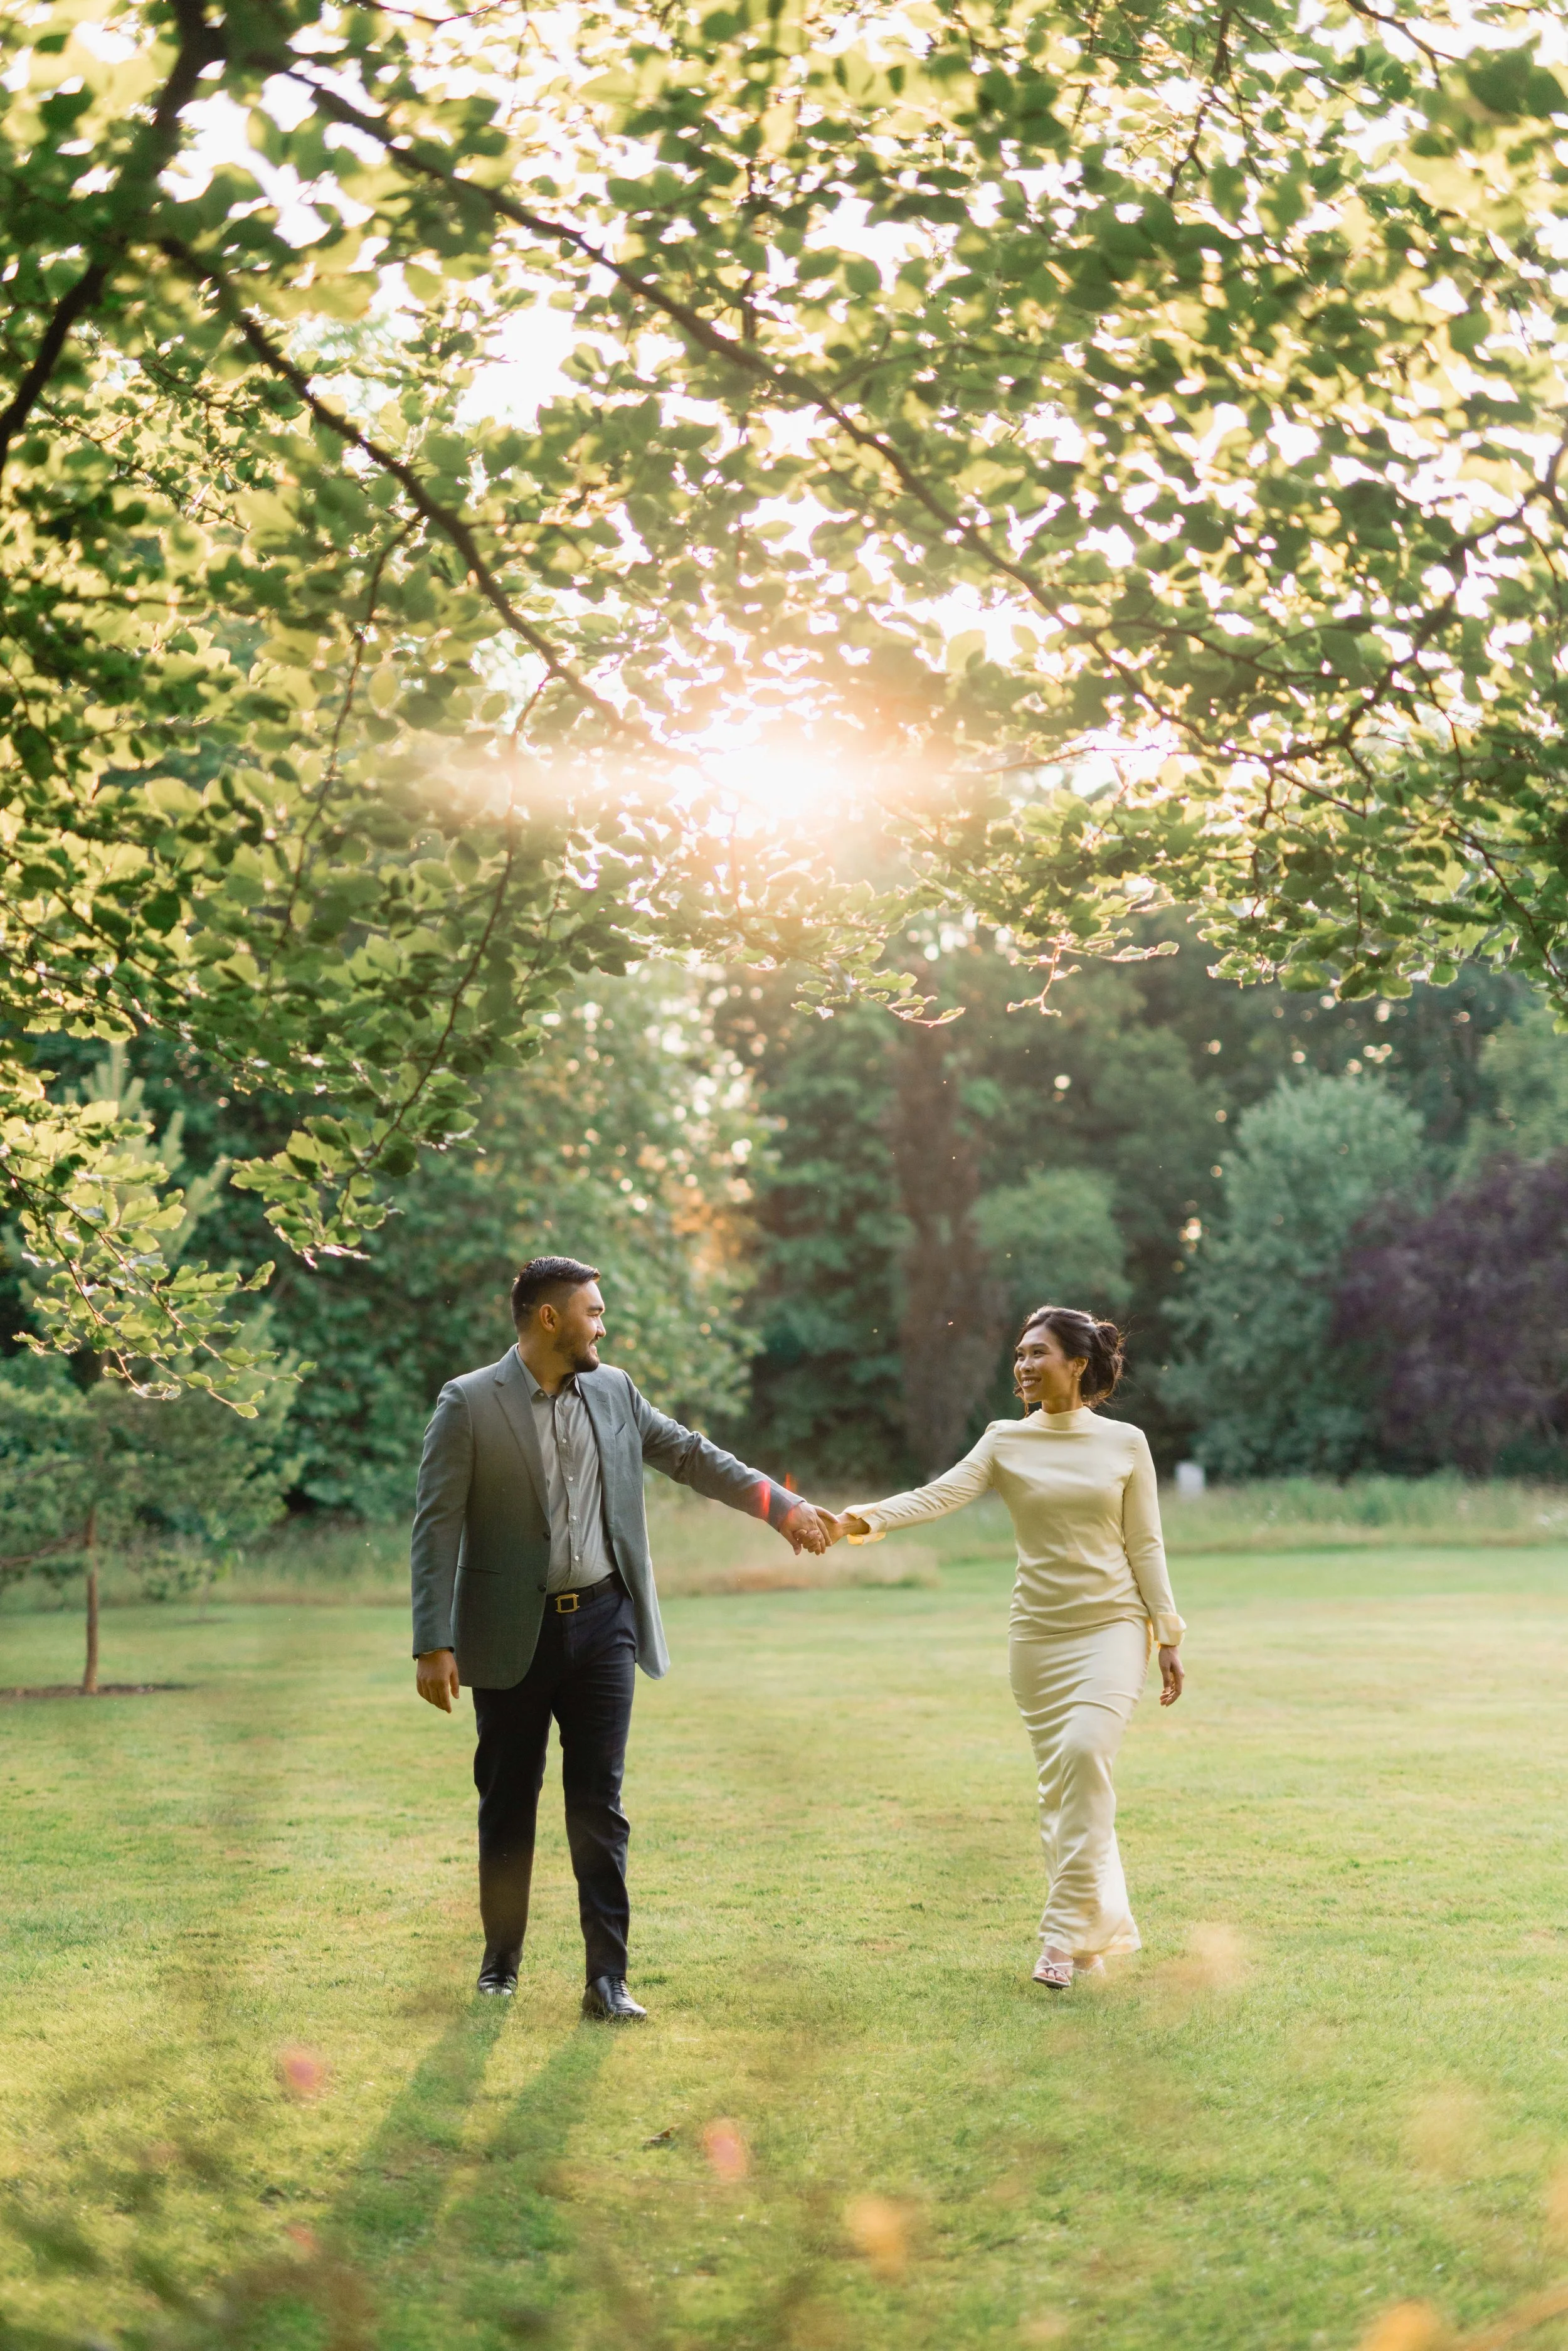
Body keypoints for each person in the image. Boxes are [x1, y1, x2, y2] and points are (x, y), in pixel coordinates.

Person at [410, 1255, 832, 2018]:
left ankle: (607, 1980)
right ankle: (500, 1962)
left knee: (597, 1804)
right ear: (550, 1318)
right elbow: (435, 1525)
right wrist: (432, 1640)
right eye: (593, 1312)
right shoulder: (469, 1403)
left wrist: (783, 1506)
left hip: (606, 1623)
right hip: (510, 1633)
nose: (602, 1324)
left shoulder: (615, 1391)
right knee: (507, 1801)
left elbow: (693, 1456)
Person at [825, 1305, 1184, 1990]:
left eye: (1037, 1353)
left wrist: (1166, 1633)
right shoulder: (1003, 1440)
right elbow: (938, 1495)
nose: (1022, 1365)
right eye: (1019, 1354)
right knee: (1065, 1789)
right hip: (1037, 1637)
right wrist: (860, 1518)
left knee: (1083, 1757)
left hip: (1111, 1627)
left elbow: (1145, 1543)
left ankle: (1058, 1938)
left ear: (1076, 1364)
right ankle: (1091, 1931)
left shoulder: (1125, 1442)